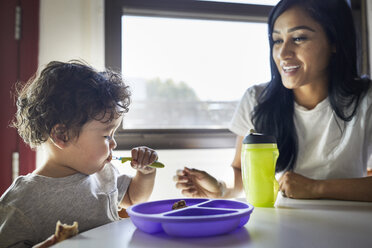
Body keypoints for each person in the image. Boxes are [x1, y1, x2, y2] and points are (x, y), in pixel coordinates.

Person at [174, 0, 372, 202]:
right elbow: (241, 171)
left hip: (349, 228)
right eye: (277, 40)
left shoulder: (367, 100)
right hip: (282, 224)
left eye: (299, 38)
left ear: (335, 42)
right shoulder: (256, 99)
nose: (283, 54)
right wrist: (220, 189)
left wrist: (317, 188)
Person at [0, 61, 159, 247]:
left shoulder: (103, 173)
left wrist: (146, 172)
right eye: (106, 135)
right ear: (62, 136)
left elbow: (134, 199)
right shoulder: (21, 202)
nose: (113, 143)